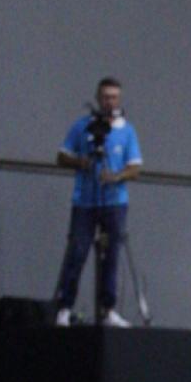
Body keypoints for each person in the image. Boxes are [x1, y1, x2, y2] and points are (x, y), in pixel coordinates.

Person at [53, 77, 143, 327]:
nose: (109, 102)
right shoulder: (82, 127)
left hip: (114, 203)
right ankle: (65, 307)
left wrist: (116, 177)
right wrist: (81, 162)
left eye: (113, 97)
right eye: (105, 97)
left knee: (111, 255)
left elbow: (135, 167)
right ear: (98, 98)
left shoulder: (127, 131)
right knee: (78, 251)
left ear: (119, 99)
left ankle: (109, 309)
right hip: (85, 202)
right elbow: (61, 156)